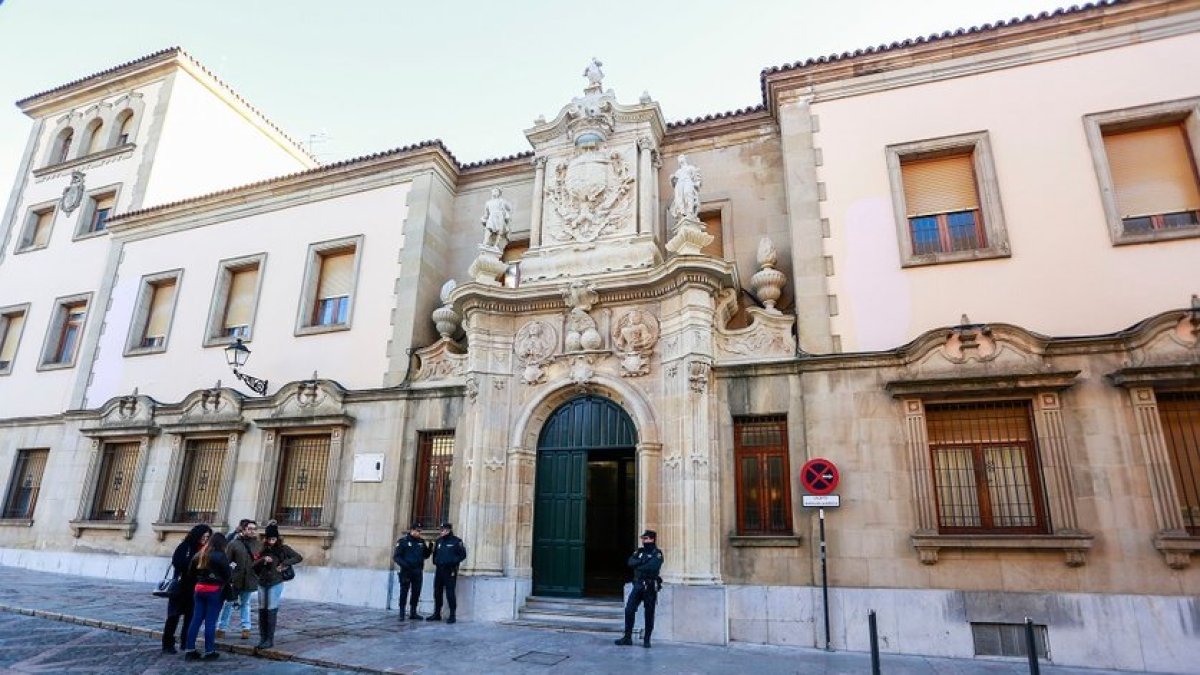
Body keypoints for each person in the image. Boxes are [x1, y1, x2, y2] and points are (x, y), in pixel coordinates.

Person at [251, 521, 302, 650]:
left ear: (277, 538)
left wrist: (284, 563)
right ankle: (263, 638)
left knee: (271, 609)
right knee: (262, 609)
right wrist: (263, 559)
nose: (272, 541)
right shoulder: (261, 549)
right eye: (269, 539)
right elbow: (252, 565)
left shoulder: (284, 549)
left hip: (276, 582)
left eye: (274, 538)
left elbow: (298, 557)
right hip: (262, 582)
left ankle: (269, 639)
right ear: (266, 538)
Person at [162, 524, 211, 654]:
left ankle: (186, 642)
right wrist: (193, 563)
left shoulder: (206, 550)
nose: (205, 539)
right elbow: (177, 562)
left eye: (207, 537)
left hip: (195, 589)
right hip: (180, 587)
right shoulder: (185, 546)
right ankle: (168, 644)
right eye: (203, 536)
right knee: (173, 617)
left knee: (190, 618)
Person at [183, 532, 232, 660]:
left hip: (199, 589)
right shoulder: (221, 556)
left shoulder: (199, 554)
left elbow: (190, 573)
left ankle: (190, 649)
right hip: (214, 591)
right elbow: (228, 576)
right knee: (211, 621)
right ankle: (209, 651)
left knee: (196, 620)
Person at [614, 529, 664, 649]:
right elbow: (630, 562)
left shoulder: (657, 553)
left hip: (650, 586)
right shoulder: (640, 552)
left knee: (649, 613)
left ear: (652, 539)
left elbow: (652, 567)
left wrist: (639, 565)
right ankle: (627, 637)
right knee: (629, 609)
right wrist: (642, 561)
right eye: (643, 539)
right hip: (638, 585)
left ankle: (647, 640)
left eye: (646, 539)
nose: (644, 541)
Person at [217, 519, 260, 640]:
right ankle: (221, 628)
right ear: (244, 529)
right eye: (250, 529)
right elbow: (227, 561)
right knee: (229, 603)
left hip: (249, 579)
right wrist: (230, 574)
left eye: (254, 529)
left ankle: (246, 628)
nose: (253, 531)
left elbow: (259, 561)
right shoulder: (234, 544)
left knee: (245, 604)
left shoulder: (258, 544)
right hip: (234, 580)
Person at [426, 522, 467, 624]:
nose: (441, 531)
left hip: (450, 570)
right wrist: (436, 561)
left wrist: (452, 562)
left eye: (443, 530)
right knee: (437, 592)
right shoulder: (439, 541)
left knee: (450, 593)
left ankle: (452, 615)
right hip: (440, 570)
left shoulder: (456, 541)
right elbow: (435, 554)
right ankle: (437, 613)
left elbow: (462, 555)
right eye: (440, 529)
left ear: (448, 530)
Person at [392, 523, 431, 621]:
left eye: (420, 531)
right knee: (404, 592)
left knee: (416, 592)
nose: (418, 533)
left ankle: (413, 612)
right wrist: (405, 565)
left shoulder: (421, 542)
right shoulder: (403, 541)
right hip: (406, 571)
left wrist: (429, 549)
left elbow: (425, 555)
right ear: (412, 530)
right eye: (417, 531)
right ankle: (402, 612)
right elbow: (396, 557)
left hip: (417, 571)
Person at [669, 155, 702, 222]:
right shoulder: (678, 172)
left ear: (685, 159)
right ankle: (682, 213)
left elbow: (696, 178)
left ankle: (690, 212)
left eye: (681, 157)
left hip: (688, 182)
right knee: (680, 198)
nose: (680, 159)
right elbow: (674, 184)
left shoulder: (690, 168)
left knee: (688, 194)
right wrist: (672, 179)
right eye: (679, 158)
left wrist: (697, 183)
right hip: (679, 184)